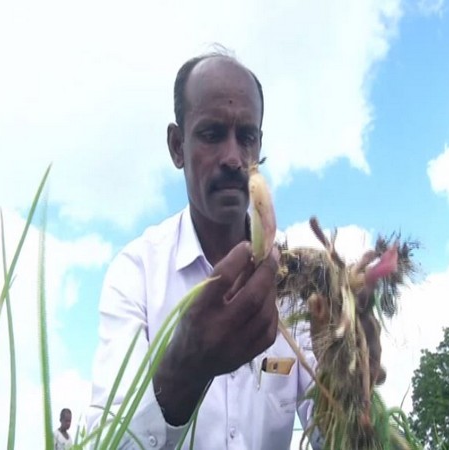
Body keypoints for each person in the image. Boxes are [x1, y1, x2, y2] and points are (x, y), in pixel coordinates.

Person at [87, 49, 384, 450]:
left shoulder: (301, 287)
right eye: (211, 134)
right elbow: (103, 440)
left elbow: (334, 439)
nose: (232, 158)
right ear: (177, 146)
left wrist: (352, 381)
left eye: (246, 137)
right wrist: (186, 368)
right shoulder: (137, 273)